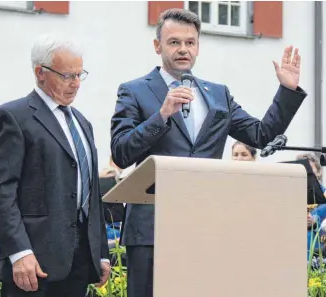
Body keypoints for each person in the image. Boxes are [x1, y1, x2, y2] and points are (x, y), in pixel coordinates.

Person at [110, 8, 307, 297]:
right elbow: (121, 151)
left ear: (198, 46)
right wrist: (161, 116)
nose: (183, 49)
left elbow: (261, 135)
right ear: (157, 46)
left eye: (190, 43)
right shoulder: (134, 91)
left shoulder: (218, 94)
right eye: (174, 42)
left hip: (207, 224)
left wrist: (286, 91)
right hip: (152, 228)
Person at [0, 34, 110, 297]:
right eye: (67, 76)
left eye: (79, 74)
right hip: (33, 265)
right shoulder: (13, 117)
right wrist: (19, 253)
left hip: (78, 262)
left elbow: (91, 191)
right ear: (40, 72)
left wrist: (101, 252)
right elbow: (1, 192)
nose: (76, 84)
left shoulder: (82, 122)